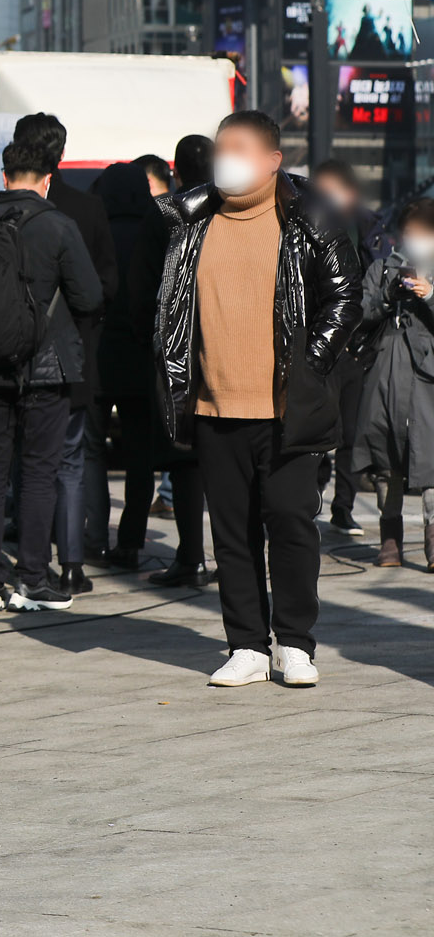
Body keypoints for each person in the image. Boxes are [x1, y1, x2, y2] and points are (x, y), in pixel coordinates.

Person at [151, 110, 359, 688]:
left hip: (287, 409)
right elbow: (169, 309)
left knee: (292, 524)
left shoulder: (310, 215)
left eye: (239, 148)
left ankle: (294, 642)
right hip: (215, 406)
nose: (226, 158)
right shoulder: (190, 220)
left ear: (272, 161)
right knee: (233, 531)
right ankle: (246, 644)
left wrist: (309, 364)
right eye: (222, 147)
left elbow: (345, 298)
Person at [0, 115, 105, 612]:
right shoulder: (56, 225)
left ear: (4, 174)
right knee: (38, 472)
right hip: (48, 366)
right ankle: (32, 578)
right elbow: (91, 296)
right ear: (47, 178)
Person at [42, 123, 118, 591]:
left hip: (11, 360)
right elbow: (105, 287)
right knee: (73, 459)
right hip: (75, 355)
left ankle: (22, 564)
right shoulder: (88, 209)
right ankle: (71, 562)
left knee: (17, 463)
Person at [143, 135, 216, 587]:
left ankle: (190, 556)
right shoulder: (236, 208)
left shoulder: (166, 214)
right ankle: (233, 557)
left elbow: (145, 284)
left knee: (184, 459)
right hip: (230, 346)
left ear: (176, 168)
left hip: (178, 351)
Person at [310, 158, 390, 535]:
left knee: (349, 434)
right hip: (320, 345)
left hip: (356, 347)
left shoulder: (368, 229)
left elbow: (379, 278)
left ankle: (343, 507)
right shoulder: (308, 225)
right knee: (314, 432)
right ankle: (311, 499)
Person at [353, 199, 434, 568]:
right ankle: (390, 539)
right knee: (386, 461)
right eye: (412, 232)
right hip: (385, 375)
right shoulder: (382, 269)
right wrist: (389, 295)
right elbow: (360, 312)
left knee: (431, 461)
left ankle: (433, 539)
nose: (416, 239)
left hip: (427, 381)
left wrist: (429, 295)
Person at [92, 160, 160, 573]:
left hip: (99, 356)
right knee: (140, 456)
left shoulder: (95, 231)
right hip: (142, 356)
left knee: (91, 453)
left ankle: (95, 535)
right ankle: (132, 539)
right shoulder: (156, 232)